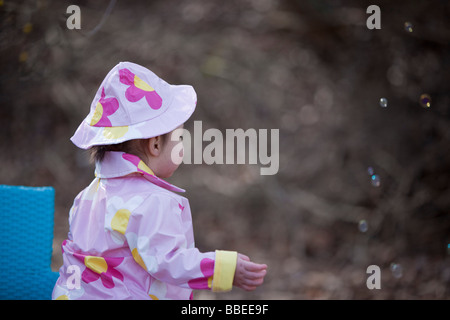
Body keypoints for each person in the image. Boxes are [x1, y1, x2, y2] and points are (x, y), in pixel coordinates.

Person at [52, 61, 267, 300]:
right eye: (180, 138)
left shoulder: (87, 196)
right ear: (155, 144)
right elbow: (168, 261)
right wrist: (223, 269)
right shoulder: (150, 201)